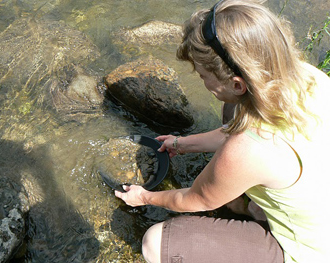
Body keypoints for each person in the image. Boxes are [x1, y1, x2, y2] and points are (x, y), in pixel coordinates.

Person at [115, 0, 330, 262]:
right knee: (232, 109)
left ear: (238, 83)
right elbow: (238, 131)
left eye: (203, 75)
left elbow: (196, 199)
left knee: (155, 243)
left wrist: (145, 196)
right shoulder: (309, 77)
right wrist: (181, 143)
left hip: (311, 251)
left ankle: (257, 222)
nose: (202, 81)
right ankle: (247, 207)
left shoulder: (250, 148)